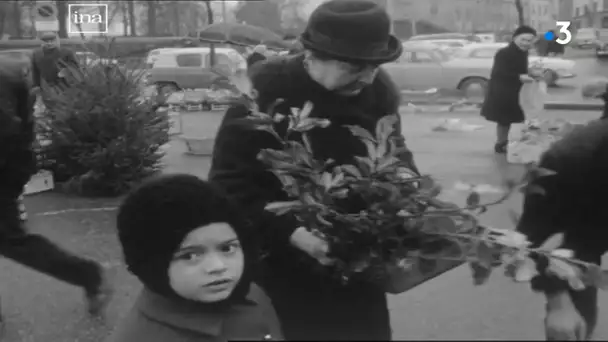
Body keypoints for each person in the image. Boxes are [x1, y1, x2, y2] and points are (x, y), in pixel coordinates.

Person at [209, 0, 419, 339]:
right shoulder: (265, 94)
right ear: (313, 55)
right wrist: (295, 235)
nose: (367, 77)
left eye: (375, 66)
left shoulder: (377, 91)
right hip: (283, 267)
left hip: (358, 264)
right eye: (354, 67)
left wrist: (409, 187)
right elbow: (228, 186)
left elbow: (395, 151)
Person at [0, 57, 112, 319]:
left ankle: (89, 275)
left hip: (5, 168)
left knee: (11, 239)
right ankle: (88, 276)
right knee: (11, 239)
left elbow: (5, 128)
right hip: (13, 164)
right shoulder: (7, 68)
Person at [109, 174, 282, 342]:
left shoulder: (253, 296)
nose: (218, 266)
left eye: (227, 248)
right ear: (151, 264)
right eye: (190, 255)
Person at [516, 117, 608, 340]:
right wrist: (559, 305)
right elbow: (537, 234)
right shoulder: (567, 160)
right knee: (574, 325)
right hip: (583, 233)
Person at [481, 25, 537, 154]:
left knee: (513, 118)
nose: (526, 43)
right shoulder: (504, 53)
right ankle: (501, 144)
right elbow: (498, 73)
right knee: (504, 120)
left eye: (529, 41)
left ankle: (510, 142)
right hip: (502, 91)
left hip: (516, 90)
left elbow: (520, 69)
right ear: (515, 38)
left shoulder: (523, 53)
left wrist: (530, 73)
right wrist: (519, 76)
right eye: (523, 39)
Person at [31, 32, 79, 97]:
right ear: (42, 42)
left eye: (52, 41)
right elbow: (35, 71)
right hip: (46, 87)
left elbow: (75, 68)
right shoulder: (37, 54)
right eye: (46, 41)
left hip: (65, 86)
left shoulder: (66, 52)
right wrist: (36, 85)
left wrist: (66, 72)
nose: (49, 43)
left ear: (56, 41)